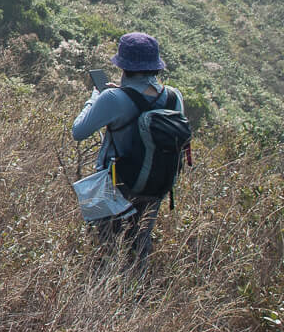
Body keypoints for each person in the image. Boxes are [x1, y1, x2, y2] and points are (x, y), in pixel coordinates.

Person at [71, 33, 193, 276]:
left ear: (123, 66)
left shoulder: (112, 98)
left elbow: (79, 131)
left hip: (116, 186)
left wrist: (94, 99)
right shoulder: (173, 96)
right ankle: (135, 297)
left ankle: (102, 299)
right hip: (156, 186)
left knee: (105, 249)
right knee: (139, 247)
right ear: (155, 66)